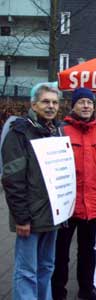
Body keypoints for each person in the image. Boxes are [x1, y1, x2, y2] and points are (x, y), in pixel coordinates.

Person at [1, 83, 62, 300]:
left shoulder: (56, 131)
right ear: (34, 104)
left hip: (51, 215)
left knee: (46, 266)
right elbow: (12, 180)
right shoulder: (18, 133)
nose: (51, 106)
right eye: (45, 101)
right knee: (27, 271)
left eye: (55, 102)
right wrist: (21, 218)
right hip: (29, 217)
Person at [51, 88, 96, 300]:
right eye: (81, 102)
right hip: (66, 204)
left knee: (88, 251)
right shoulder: (60, 131)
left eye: (89, 102)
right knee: (60, 254)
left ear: (94, 106)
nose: (86, 106)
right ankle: (58, 292)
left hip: (92, 204)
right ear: (73, 105)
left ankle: (87, 289)